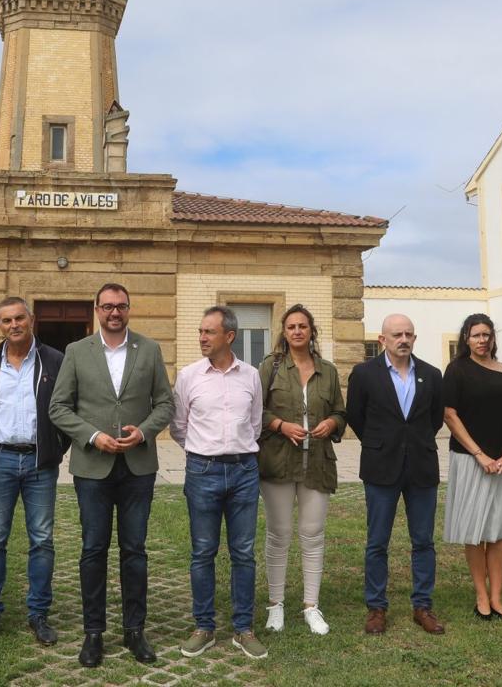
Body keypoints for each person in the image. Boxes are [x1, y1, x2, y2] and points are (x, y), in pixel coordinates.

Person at [48, 283, 174, 668]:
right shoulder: (76, 351)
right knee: (93, 550)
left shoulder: (149, 349)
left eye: (121, 306)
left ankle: (135, 630)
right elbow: (59, 407)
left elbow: (165, 403)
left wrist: (145, 431)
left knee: (134, 551)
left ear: (129, 309)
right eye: (107, 307)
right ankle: (93, 632)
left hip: (138, 467)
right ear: (97, 310)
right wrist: (92, 435)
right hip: (92, 468)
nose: (114, 312)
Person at [0, 297, 68, 647]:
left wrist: (55, 447)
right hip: (0, 461)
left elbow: (67, 409)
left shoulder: (55, 361)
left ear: (32, 320)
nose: (14, 325)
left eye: (19, 318)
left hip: (40, 463)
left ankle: (38, 614)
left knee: (42, 540)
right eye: (6, 320)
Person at [171, 306, 267, 660]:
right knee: (203, 552)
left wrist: (234, 450)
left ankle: (244, 629)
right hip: (202, 471)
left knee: (243, 553)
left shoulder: (252, 376)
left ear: (230, 336)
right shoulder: (188, 376)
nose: (202, 338)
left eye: (209, 332)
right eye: (200, 331)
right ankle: (204, 627)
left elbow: (254, 424)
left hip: (244, 472)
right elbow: (178, 426)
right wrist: (205, 452)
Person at [346, 313, 445, 636]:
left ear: (414, 339)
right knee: (377, 542)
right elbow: (357, 417)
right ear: (382, 340)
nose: (403, 339)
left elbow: (435, 418)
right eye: (397, 334)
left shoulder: (431, 374)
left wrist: (410, 442)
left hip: (421, 467)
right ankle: (376, 607)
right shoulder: (363, 374)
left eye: (409, 334)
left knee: (423, 541)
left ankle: (423, 606)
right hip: (380, 467)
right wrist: (382, 444)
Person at [256, 304, 347, 637]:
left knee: (313, 535)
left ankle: (311, 606)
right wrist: (280, 425)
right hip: (278, 462)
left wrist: (331, 422)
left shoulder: (328, 370)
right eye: (291, 326)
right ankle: (275, 605)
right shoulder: (270, 367)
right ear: (284, 332)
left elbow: (341, 412)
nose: (297, 331)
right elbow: (255, 410)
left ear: (311, 331)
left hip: (318, 463)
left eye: (303, 326)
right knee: (279, 535)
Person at [441, 313, 502, 622]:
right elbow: (450, 415)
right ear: (466, 338)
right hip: (471, 461)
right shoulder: (457, 370)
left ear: (493, 337)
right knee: (474, 531)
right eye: (475, 335)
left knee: (498, 532)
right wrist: (480, 455)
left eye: (486, 335)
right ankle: (481, 594)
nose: (482, 340)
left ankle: (497, 597)